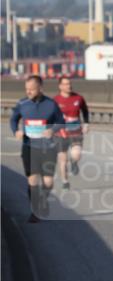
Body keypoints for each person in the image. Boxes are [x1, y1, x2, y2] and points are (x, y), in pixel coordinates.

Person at [9, 75, 65, 222]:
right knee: (33, 180)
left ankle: (43, 199)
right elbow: (14, 119)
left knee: (48, 182)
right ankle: (35, 210)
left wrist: (52, 130)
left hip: (48, 147)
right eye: (26, 89)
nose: (28, 92)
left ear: (40, 88)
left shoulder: (51, 104)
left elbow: (61, 122)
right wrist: (16, 131)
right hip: (29, 147)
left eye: (32, 89)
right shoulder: (22, 103)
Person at [53, 76, 90, 189]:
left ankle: (74, 162)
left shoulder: (78, 98)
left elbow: (85, 111)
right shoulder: (55, 100)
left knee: (76, 154)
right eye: (65, 84)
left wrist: (86, 124)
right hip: (61, 133)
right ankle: (65, 181)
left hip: (76, 131)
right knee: (62, 158)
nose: (69, 86)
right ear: (60, 86)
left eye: (69, 83)